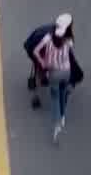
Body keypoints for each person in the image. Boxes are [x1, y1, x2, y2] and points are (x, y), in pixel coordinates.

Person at [29, 13, 78, 143]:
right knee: (63, 93)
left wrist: (43, 62)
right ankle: (62, 116)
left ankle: (57, 125)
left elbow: (35, 51)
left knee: (55, 97)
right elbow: (71, 54)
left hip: (54, 73)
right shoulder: (69, 41)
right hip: (66, 72)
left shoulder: (47, 39)